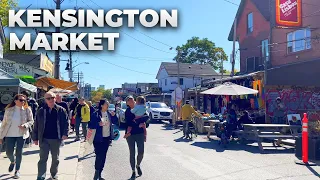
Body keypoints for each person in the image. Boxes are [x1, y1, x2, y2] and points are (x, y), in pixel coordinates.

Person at [32, 92, 69, 180]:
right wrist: (35, 137)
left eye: (52, 98)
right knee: (43, 158)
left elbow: (66, 122)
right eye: (48, 98)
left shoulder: (61, 110)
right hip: (44, 138)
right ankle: (41, 175)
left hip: (56, 138)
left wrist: (65, 133)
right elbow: (36, 124)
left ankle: (53, 174)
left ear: (55, 98)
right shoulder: (41, 110)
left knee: (55, 158)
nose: (51, 100)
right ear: (45, 100)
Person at [0, 94, 34, 179]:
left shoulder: (27, 110)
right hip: (9, 134)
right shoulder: (8, 110)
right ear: (15, 101)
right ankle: (13, 161)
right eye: (21, 100)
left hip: (21, 135)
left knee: (19, 153)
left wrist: (25, 125)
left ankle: (17, 170)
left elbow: (31, 121)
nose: (23, 102)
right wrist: (0, 136)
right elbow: (4, 124)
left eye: (24, 100)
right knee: (8, 152)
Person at [88, 99, 118, 180]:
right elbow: (90, 125)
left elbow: (116, 122)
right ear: (102, 105)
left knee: (103, 156)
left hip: (107, 138)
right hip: (98, 139)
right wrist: (98, 124)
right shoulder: (96, 114)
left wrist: (114, 115)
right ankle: (96, 173)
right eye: (106, 104)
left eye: (108, 104)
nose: (108, 105)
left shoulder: (109, 114)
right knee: (99, 156)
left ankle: (100, 174)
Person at [124, 96, 149, 179]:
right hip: (130, 134)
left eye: (132, 100)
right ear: (127, 103)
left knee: (141, 152)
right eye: (129, 101)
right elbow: (128, 122)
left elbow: (147, 117)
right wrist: (138, 123)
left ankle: (138, 165)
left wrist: (143, 123)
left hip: (139, 133)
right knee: (132, 153)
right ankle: (133, 171)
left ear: (135, 101)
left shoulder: (140, 108)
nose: (131, 102)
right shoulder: (128, 111)